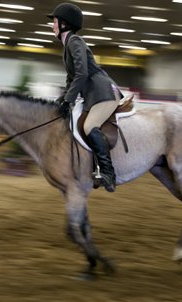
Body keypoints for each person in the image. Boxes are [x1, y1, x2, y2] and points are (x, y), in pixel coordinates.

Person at [48, 2, 121, 192]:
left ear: (65, 23)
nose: (52, 25)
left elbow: (81, 74)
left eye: (55, 21)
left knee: (89, 126)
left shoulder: (75, 41)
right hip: (93, 95)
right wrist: (61, 100)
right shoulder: (67, 46)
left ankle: (108, 173)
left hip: (103, 92)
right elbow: (70, 79)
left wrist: (69, 100)